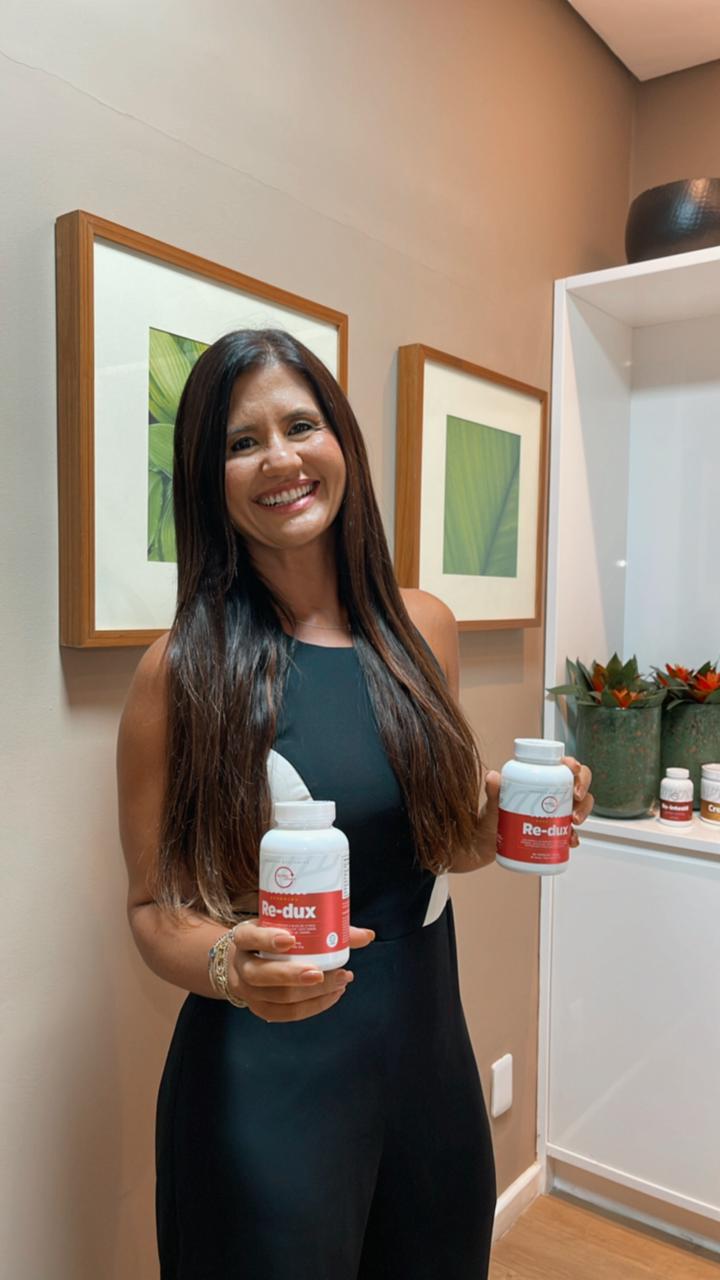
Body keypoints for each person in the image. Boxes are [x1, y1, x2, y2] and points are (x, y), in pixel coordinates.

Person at [117, 329, 593, 1279]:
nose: (280, 459)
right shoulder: (180, 672)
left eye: (301, 426)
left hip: (428, 1067)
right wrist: (230, 964)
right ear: (208, 478)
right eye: (241, 442)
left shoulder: (424, 628)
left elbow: (441, 846)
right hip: (266, 1087)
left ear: (341, 441)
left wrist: (501, 813)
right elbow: (152, 908)